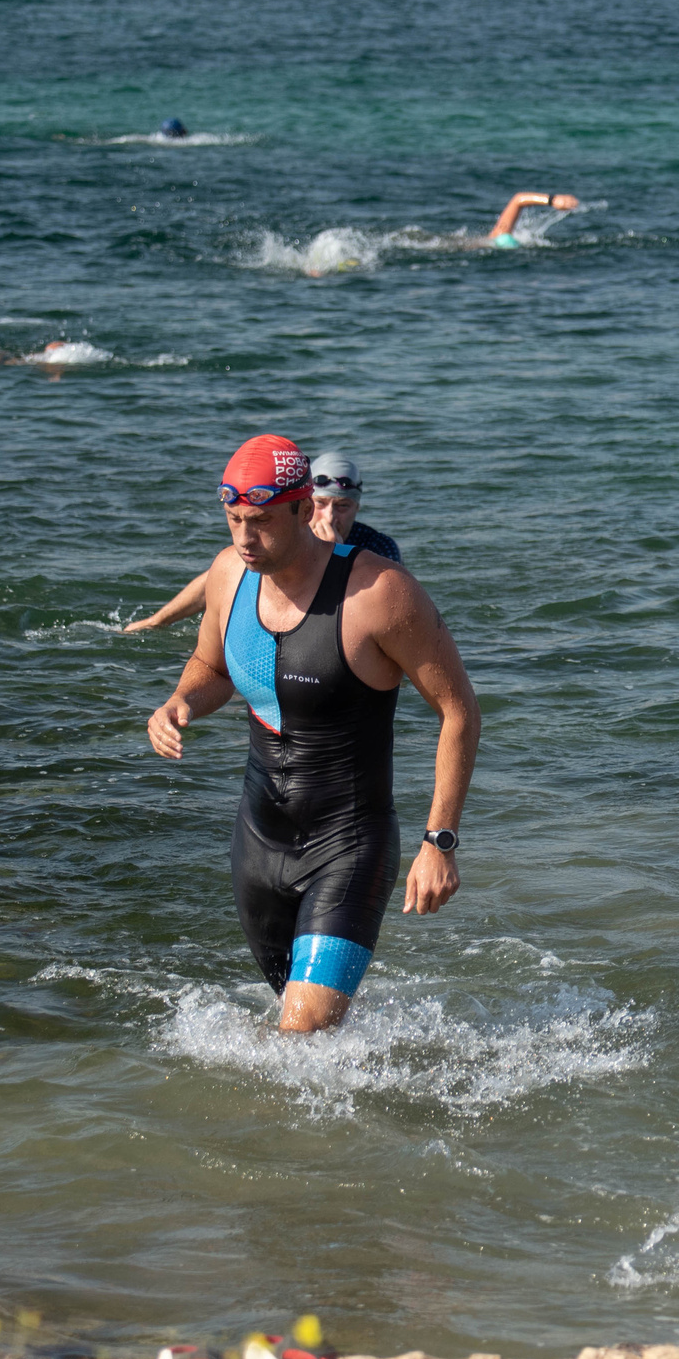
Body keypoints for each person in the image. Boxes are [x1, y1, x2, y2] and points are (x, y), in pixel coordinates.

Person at [145, 434, 479, 1032]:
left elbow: (459, 711)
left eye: (262, 522)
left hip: (348, 844)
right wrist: (179, 702)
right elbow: (213, 667)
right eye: (234, 520)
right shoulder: (228, 576)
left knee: (299, 1038)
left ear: (305, 508)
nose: (245, 538)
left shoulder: (380, 594)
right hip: (257, 844)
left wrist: (441, 841)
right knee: (303, 1040)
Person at [126, 450, 398, 633]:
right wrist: (156, 621)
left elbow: (386, 617)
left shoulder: (379, 548)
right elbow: (221, 578)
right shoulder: (286, 535)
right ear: (305, 505)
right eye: (321, 503)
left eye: (343, 506)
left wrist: (336, 555)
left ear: (357, 508)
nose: (329, 516)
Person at [485, 191, 579, 248]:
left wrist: (553, 200)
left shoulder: (497, 238)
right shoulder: (497, 238)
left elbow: (518, 200)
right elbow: (518, 200)